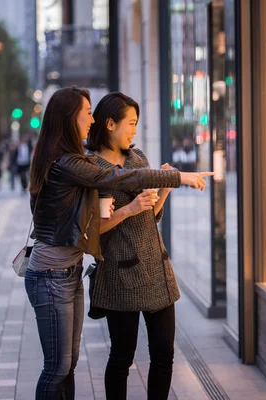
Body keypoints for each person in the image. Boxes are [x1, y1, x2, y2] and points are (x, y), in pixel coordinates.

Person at [24, 86, 211, 400]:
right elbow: (121, 179)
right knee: (61, 367)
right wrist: (177, 177)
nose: (91, 119)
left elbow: (141, 205)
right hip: (59, 272)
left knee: (67, 365)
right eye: (86, 113)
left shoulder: (82, 160)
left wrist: (162, 188)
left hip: (72, 271)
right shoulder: (74, 164)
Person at [85, 92, 181, 400]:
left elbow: (149, 215)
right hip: (119, 274)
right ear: (110, 124)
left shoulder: (137, 159)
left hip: (156, 268)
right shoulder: (94, 169)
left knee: (164, 354)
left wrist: (163, 188)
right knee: (122, 357)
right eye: (131, 123)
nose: (134, 131)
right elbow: (96, 229)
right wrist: (131, 208)